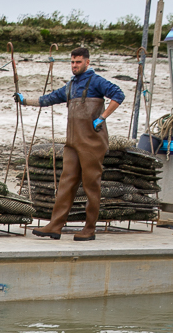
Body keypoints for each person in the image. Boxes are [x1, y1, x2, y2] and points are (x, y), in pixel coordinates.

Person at [16, 47, 125, 241]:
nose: (74, 65)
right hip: (72, 143)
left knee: (92, 185)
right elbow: (48, 98)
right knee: (66, 183)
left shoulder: (97, 81)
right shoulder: (71, 85)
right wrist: (25, 101)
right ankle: (55, 225)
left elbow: (119, 95)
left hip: (92, 142)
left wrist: (102, 117)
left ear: (87, 62)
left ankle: (90, 229)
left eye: (78, 62)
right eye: (72, 62)